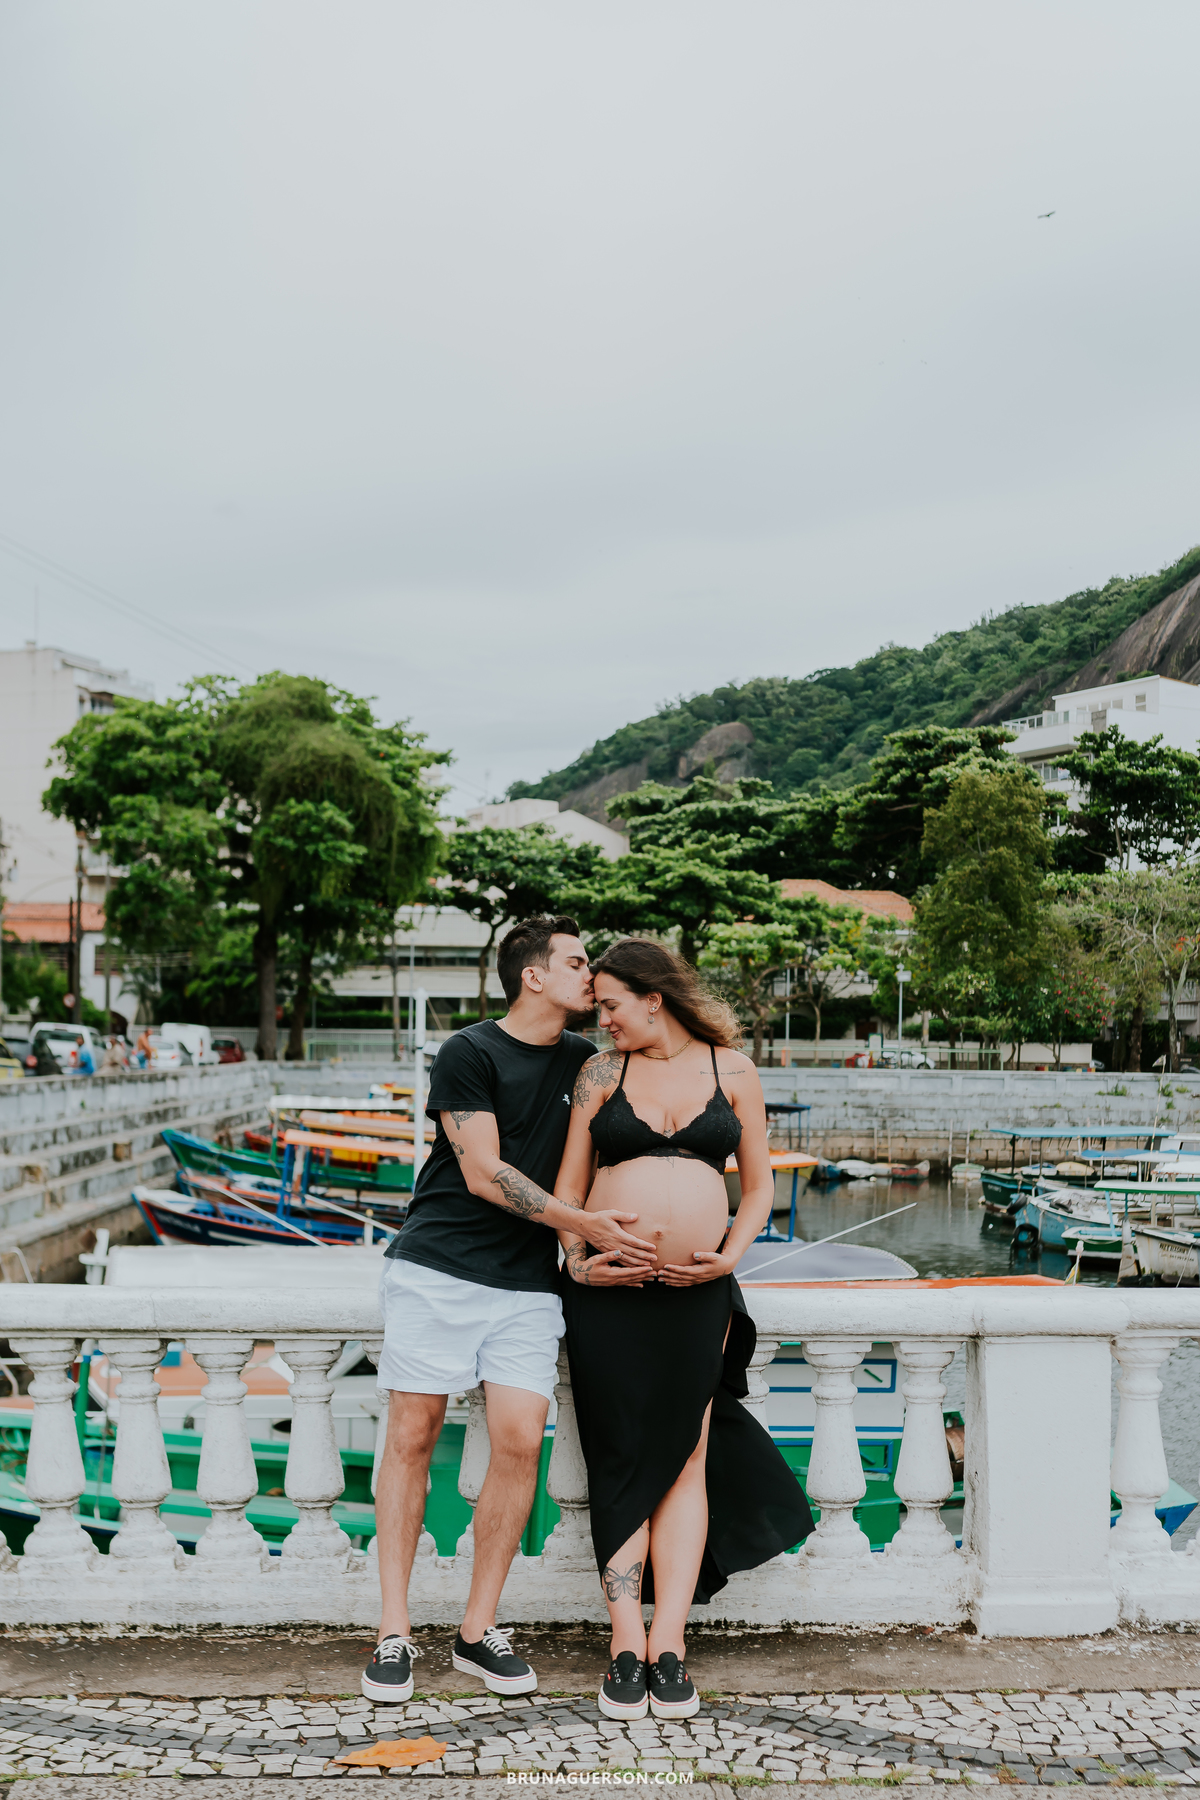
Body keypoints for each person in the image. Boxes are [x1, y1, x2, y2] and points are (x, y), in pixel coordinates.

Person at [366, 916, 658, 1705]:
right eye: (575, 960)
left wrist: (597, 1244)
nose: (589, 973)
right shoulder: (470, 1051)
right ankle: (394, 1630)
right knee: (412, 1434)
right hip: (440, 1269)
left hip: (528, 1285)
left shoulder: (593, 1063)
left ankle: (475, 1630)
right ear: (532, 975)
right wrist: (584, 1227)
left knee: (520, 1441)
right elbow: (485, 1174)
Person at [555, 938, 814, 1723]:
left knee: (686, 1461)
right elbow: (569, 1189)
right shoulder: (602, 1074)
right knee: (620, 1457)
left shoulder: (731, 1070)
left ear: (653, 997)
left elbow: (761, 1184)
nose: (600, 1020)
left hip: (698, 1295)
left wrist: (729, 1256)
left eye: (609, 1005)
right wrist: (576, 1262)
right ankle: (623, 1645)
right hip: (610, 1296)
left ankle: (670, 1644)